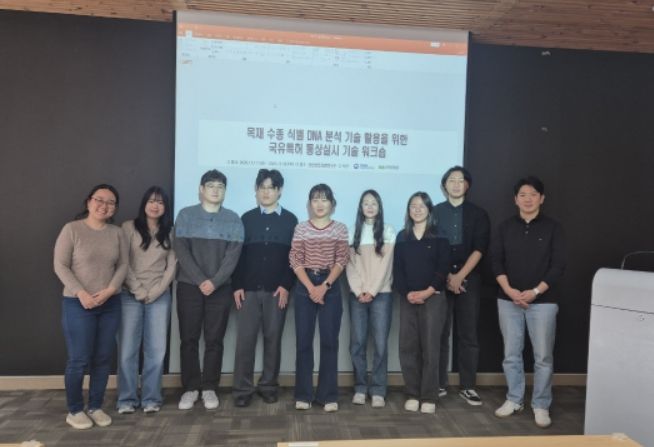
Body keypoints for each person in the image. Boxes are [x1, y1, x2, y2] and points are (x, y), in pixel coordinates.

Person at [490, 176, 566, 428]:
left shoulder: (553, 228)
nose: (528, 199)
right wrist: (510, 291)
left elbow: (558, 266)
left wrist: (534, 291)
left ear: (541, 198)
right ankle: (514, 399)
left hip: (543, 302)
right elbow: (496, 262)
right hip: (508, 300)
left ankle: (541, 404)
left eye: (533, 194)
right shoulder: (504, 227)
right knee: (511, 354)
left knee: (543, 356)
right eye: (522, 195)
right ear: (515, 199)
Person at [53, 184, 128, 429]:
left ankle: (95, 406)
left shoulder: (117, 233)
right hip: (78, 304)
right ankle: (75, 410)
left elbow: (123, 265)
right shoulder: (72, 229)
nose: (104, 206)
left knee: (103, 358)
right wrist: (81, 293)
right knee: (78, 359)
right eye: (99, 200)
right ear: (88, 202)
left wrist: (110, 290)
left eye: (110, 202)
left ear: (115, 208)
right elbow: (60, 266)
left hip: (110, 303)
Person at [174, 169, 244, 410]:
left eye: (220, 187)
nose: (215, 190)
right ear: (201, 189)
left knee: (215, 339)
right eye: (211, 186)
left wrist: (214, 281)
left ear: (225, 192)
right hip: (189, 286)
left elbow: (233, 256)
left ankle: (209, 387)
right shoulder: (185, 215)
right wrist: (200, 279)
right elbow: (181, 250)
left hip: (220, 288)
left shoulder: (233, 219)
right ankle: (190, 388)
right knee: (189, 338)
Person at [231, 169, 298, 407]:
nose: (266, 192)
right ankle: (242, 390)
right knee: (245, 342)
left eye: (271, 187)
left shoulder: (290, 220)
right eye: (262, 187)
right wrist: (237, 285)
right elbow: (238, 255)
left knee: (273, 340)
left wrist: (286, 285)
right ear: (256, 190)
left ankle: (269, 386)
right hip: (247, 291)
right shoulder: (246, 218)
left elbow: (294, 257)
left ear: (279, 191)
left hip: (277, 292)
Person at [289, 183, 349, 412]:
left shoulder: (340, 229)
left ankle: (328, 395)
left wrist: (324, 286)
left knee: (329, 341)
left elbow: (341, 259)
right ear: (309, 204)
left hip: (330, 285)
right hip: (304, 284)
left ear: (332, 204)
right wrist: (311, 288)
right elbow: (295, 259)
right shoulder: (301, 228)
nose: (320, 204)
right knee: (303, 342)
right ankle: (303, 394)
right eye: (315, 199)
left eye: (324, 199)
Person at [117, 186, 176, 414]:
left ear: (165, 207)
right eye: (151, 201)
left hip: (159, 297)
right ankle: (127, 399)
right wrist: (139, 291)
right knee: (127, 351)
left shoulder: (170, 231)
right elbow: (123, 263)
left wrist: (157, 291)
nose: (155, 206)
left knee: (156, 351)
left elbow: (172, 266)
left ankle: (151, 398)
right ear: (144, 204)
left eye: (160, 202)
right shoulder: (128, 227)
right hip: (129, 295)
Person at [434, 166, 490, 406]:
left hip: (470, 278)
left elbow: (480, 248)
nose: (456, 184)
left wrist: (459, 277)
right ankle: (439, 383)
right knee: (440, 333)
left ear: (467, 185)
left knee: (468, 334)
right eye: (452, 180)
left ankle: (468, 386)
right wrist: (447, 276)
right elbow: (432, 246)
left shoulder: (479, 214)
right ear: (444, 185)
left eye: (461, 180)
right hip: (440, 277)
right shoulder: (435, 212)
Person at [393, 192, 450, 414]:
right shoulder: (402, 236)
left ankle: (429, 396)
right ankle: (412, 393)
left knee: (430, 347)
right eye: (413, 206)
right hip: (408, 299)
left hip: (433, 298)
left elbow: (443, 267)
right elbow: (398, 269)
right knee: (408, 347)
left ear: (429, 210)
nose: (417, 210)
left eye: (421, 206)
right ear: (408, 211)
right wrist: (407, 293)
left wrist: (427, 292)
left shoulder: (440, 235)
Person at [346, 190, 395, 408]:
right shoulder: (352, 232)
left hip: (381, 294)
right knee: (357, 343)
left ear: (379, 207)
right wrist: (359, 291)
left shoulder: (388, 231)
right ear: (360, 207)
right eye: (366, 203)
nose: (370, 206)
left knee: (380, 344)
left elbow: (386, 267)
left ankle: (378, 390)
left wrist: (372, 291)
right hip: (357, 295)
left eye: (374, 203)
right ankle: (360, 387)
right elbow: (350, 266)